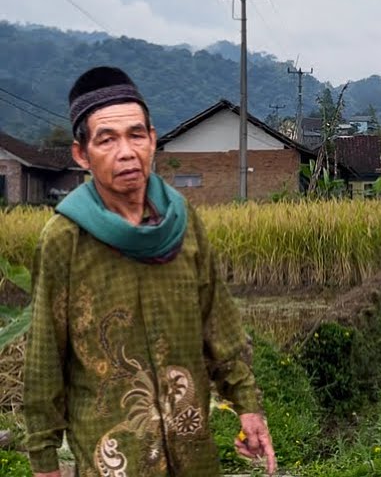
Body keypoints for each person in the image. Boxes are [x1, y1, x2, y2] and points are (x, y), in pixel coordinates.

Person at [23, 66, 276, 476]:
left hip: (191, 444)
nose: (126, 151)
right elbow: (44, 358)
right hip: (116, 458)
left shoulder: (183, 220)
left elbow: (218, 322)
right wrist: (44, 460)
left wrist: (248, 406)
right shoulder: (66, 238)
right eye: (107, 139)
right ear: (81, 154)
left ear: (153, 139)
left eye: (136, 135)